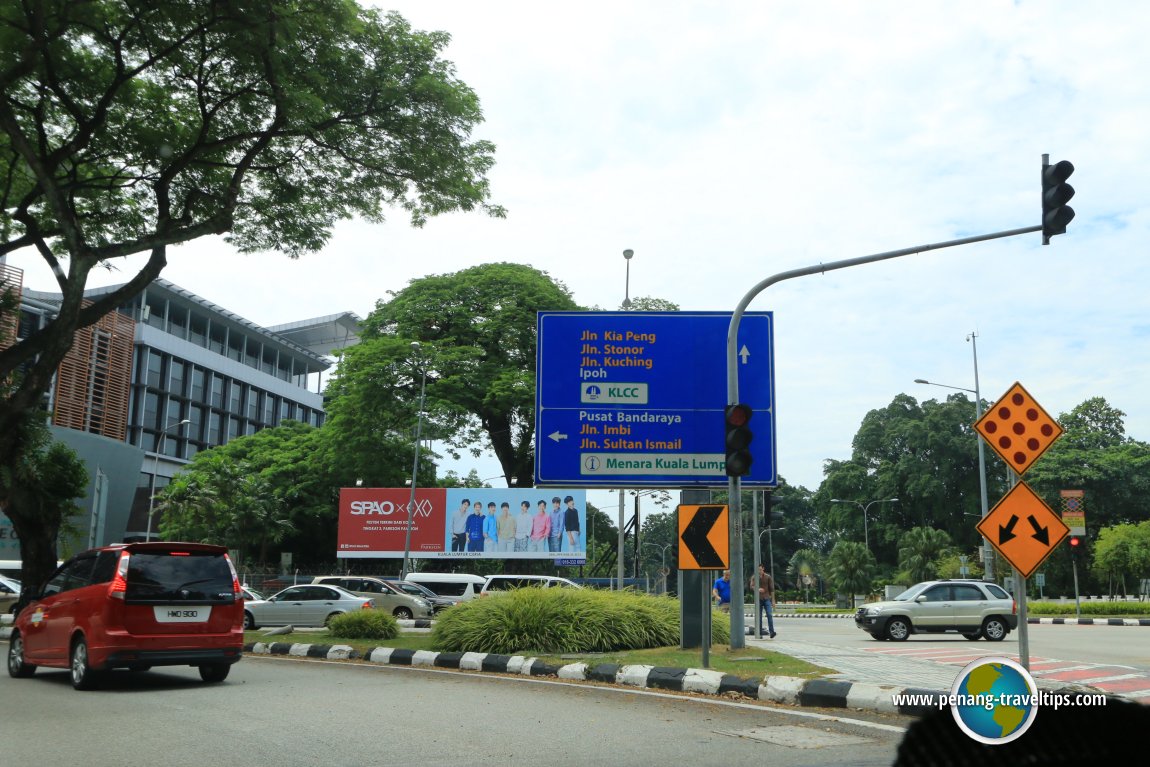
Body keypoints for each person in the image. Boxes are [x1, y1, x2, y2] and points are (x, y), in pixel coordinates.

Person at [750, 563, 777, 638]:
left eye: (760, 569)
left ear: (763, 569)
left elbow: (772, 589)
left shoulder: (768, 577)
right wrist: (757, 589)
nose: (759, 571)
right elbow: (751, 586)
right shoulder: (754, 577)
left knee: (769, 615)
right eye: (758, 570)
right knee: (759, 617)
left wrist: (773, 601)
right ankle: (760, 633)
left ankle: (772, 632)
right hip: (758, 599)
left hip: (767, 598)